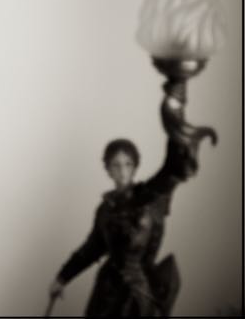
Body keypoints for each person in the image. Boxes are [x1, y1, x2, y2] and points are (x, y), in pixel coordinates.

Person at [48, 83, 215, 317]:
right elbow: (91, 249)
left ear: (135, 166)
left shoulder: (151, 197)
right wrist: (62, 277)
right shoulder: (105, 210)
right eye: (115, 165)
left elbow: (173, 168)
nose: (122, 171)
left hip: (139, 293)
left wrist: (174, 109)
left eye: (127, 164)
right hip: (106, 293)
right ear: (107, 169)